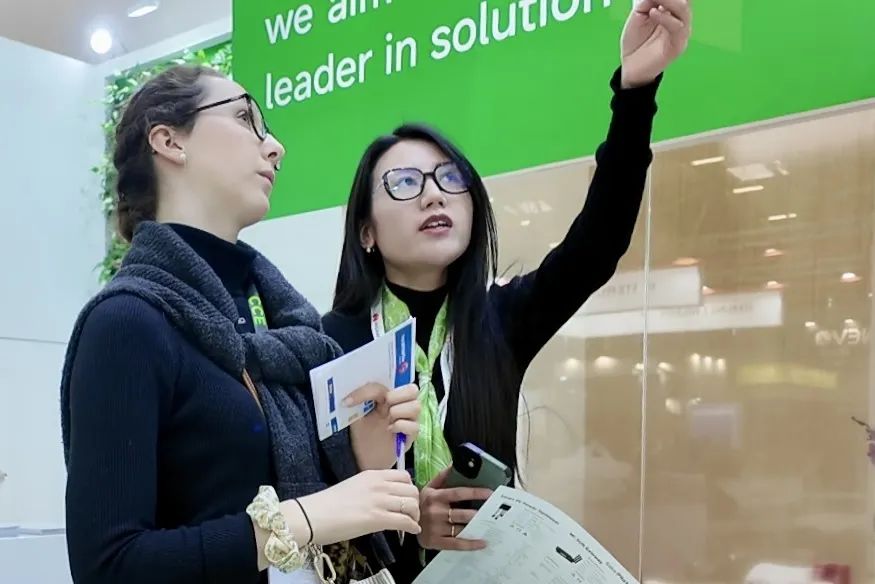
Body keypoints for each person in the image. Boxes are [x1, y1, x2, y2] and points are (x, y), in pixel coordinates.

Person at [323, 0, 693, 580]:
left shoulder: (499, 319)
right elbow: (308, 503)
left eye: (450, 179)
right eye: (404, 183)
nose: (434, 194)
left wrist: (635, 91)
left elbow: (596, 246)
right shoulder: (329, 343)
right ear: (365, 231)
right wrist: (406, 520)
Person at [60, 64, 424, 584]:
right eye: (245, 119)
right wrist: (305, 518)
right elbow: (108, 566)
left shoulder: (274, 326)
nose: (275, 147)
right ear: (169, 141)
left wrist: (363, 457)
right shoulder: (126, 324)